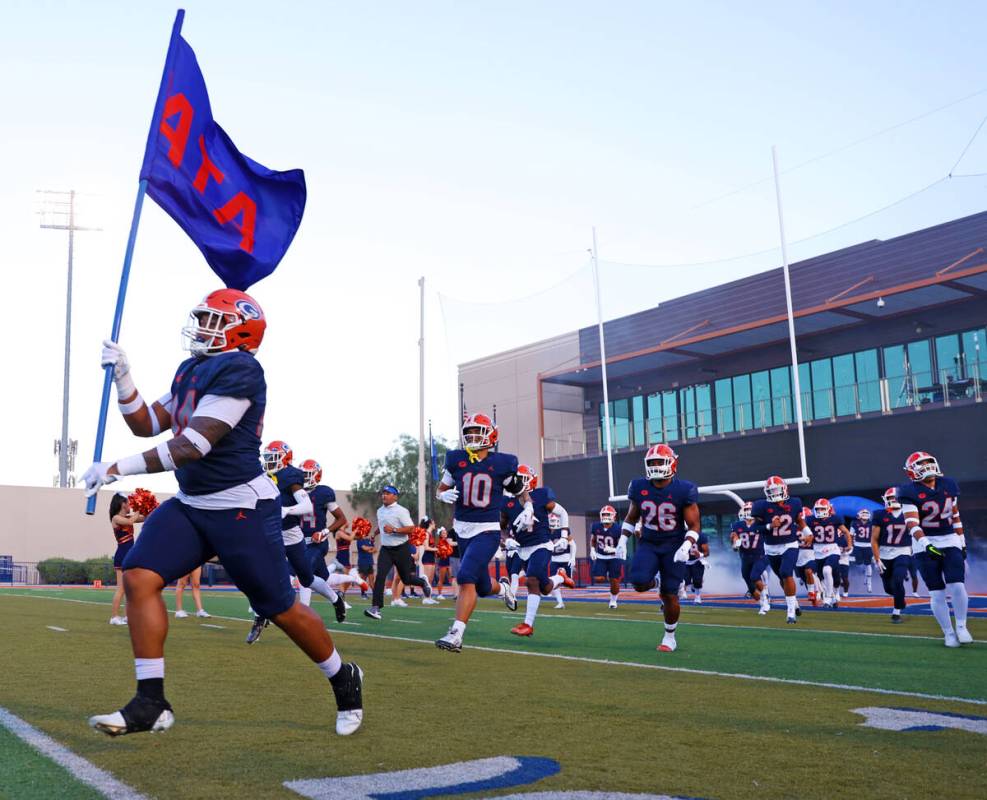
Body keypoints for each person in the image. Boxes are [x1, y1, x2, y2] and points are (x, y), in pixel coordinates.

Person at [84, 289, 363, 736]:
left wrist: (116, 468)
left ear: (241, 329)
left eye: (213, 320)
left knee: (280, 607)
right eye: (203, 319)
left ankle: (341, 676)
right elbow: (146, 423)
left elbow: (192, 445)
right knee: (138, 575)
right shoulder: (191, 369)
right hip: (193, 504)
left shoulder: (241, 369)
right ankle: (150, 702)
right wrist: (123, 375)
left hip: (240, 507)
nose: (202, 327)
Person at [434, 413, 526, 652]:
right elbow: (441, 488)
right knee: (482, 586)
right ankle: (503, 588)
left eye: (478, 431)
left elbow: (520, 490)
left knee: (465, 577)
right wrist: (441, 495)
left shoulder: (501, 463)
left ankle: (456, 634)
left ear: (491, 434)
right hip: (462, 528)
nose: (473, 436)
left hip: (487, 530)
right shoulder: (456, 459)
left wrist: (528, 507)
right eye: (469, 432)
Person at [246, 441, 347, 644]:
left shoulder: (290, 476)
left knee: (307, 579)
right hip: (270, 532)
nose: (268, 461)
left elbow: (307, 505)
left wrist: (286, 510)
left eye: (272, 457)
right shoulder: (263, 475)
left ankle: (337, 601)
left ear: (285, 457)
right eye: (266, 457)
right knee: (260, 574)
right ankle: (258, 618)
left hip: (292, 533)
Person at [616, 444, 701, 652]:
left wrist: (686, 545)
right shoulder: (638, 487)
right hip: (649, 543)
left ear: (672, 463)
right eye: (651, 463)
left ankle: (669, 636)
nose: (655, 466)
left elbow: (694, 525)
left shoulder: (684, 489)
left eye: (659, 462)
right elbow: (631, 517)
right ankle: (657, 580)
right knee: (638, 582)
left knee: (670, 594)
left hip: (674, 544)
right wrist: (623, 540)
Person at [897, 451, 972, 647]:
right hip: (924, 542)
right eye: (922, 464)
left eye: (929, 462)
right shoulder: (908, 491)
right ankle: (948, 633)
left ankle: (962, 626)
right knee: (937, 592)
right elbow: (912, 524)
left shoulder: (948, 484)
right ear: (912, 471)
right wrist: (926, 545)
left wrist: (962, 541)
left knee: (957, 585)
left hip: (949, 539)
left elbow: (955, 515)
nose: (928, 467)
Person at [504, 466, 574, 637]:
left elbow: (562, 512)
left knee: (531, 580)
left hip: (542, 545)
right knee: (544, 587)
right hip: (522, 549)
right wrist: (505, 539)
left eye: (523, 479)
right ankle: (560, 578)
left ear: (532, 480)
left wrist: (564, 536)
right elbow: (500, 526)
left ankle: (528, 624)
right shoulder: (507, 502)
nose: (520, 483)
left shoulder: (542, 495)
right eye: (517, 479)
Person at [750, 475, 811, 625]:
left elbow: (799, 520)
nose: (774, 493)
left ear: (784, 489)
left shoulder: (795, 502)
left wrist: (808, 533)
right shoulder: (761, 506)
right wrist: (769, 526)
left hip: (790, 544)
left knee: (786, 572)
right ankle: (794, 603)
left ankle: (790, 613)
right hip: (771, 547)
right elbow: (754, 528)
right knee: (782, 578)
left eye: (777, 490)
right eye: (771, 491)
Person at [364, 486, 432, 619]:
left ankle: (423, 582)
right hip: (386, 549)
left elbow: (412, 529)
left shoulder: (401, 511)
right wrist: (375, 533)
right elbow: (383, 525)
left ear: (395, 496)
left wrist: (394, 530)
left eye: (388, 493)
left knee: (406, 579)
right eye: (383, 493)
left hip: (401, 548)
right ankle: (376, 608)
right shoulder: (380, 511)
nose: (384, 495)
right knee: (380, 576)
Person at [298, 458, 350, 607]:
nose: (304, 478)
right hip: (298, 542)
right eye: (302, 475)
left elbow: (341, 519)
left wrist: (324, 532)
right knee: (324, 577)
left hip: (317, 543)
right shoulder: (294, 492)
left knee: (305, 571)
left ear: (317, 476)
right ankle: (339, 596)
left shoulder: (323, 493)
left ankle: (304, 611)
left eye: (308, 474)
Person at [870, 488, 912, 624]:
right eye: (891, 499)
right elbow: (874, 539)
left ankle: (896, 612)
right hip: (884, 553)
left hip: (903, 551)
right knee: (889, 588)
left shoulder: (909, 513)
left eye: (896, 498)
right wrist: (877, 558)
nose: (893, 501)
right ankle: (900, 599)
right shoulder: (879, 514)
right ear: (886, 500)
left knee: (898, 579)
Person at [807, 498, 851, 608]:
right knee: (823, 577)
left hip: (832, 549)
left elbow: (846, 532)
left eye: (822, 509)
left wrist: (849, 544)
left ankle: (828, 597)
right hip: (817, 551)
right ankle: (834, 593)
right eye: (818, 509)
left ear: (828, 509)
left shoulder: (835, 519)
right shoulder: (811, 520)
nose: (820, 511)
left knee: (827, 570)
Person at [108, 493, 145, 625]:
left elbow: (145, 518)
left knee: (130, 589)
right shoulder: (116, 518)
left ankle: (127, 616)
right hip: (122, 555)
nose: (130, 505)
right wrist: (139, 508)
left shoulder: (129, 517)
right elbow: (130, 521)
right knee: (121, 589)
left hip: (130, 556)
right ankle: (114, 617)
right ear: (122, 504)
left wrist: (147, 506)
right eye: (128, 503)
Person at [730, 502, 770, 615]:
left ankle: (766, 601)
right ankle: (762, 602)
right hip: (745, 557)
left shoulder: (761, 523)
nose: (748, 512)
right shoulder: (737, 525)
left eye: (750, 509)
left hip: (761, 555)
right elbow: (733, 541)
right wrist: (734, 543)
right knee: (752, 590)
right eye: (746, 509)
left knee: (755, 576)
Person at [589, 505, 623, 609]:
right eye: (604, 514)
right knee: (598, 579)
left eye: (608, 514)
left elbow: (622, 545)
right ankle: (607, 575)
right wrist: (592, 550)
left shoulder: (618, 528)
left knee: (614, 581)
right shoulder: (596, 526)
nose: (606, 516)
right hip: (601, 556)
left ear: (614, 516)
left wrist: (614, 550)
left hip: (614, 557)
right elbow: (593, 539)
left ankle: (613, 601)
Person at [548, 510, 573, 609]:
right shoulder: (545, 532)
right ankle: (560, 602)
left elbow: (572, 544)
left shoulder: (564, 530)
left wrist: (572, 558)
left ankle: (562, 576)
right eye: (551, 521)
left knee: (569, 584)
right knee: (554, 583)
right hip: (554, 559)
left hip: (565, 558)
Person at [849, 509, 875, 594]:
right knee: (859, 563)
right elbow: (851, 535)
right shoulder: (855, 523)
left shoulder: (871, 524)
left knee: (868, 564)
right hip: (858, 545)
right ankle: (865, 573)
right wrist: (852, 544)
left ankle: (869, 583)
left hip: (867, 545)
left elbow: (851, 535)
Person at [682, 531, 710, 605]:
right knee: (685, 580)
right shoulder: (680, 535)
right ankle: (685, 589)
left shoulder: (701, 536)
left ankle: (697, 597)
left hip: (697, 561)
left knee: (697, 581)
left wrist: (700, 554)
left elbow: (707, 552)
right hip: (685, 561)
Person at [419, 518, 440, 605]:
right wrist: (436, 549)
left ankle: (429, 597)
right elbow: (426, 547)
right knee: (427, 579)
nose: (435, 524)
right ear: (430, 523)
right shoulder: (426, 534)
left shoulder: (431, 534)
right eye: (434, 522)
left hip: (431, 557)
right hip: (427, 557)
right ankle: (425, 598)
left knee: (430, 579)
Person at [434, 527, 455, 600]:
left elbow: (450, 551)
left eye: (446, 533)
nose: (445, 534)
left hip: (449, 561)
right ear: (440, 535)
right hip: (443, 562)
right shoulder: (440, 542)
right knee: (441, 579)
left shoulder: (447, 541)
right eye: (443, 533)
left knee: (452, 578)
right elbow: (440, 553)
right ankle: (439, 594)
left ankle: (456, 593)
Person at [356, 530, 376, 598]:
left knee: (372, 579)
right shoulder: (360, 540)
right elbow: (364, 548)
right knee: (363, 579)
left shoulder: (369, 540)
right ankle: (363, 594)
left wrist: (370, 549)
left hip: (370, 562)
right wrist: (370, 548)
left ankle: (375, 594)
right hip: (363, 562)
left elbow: (375, 550)